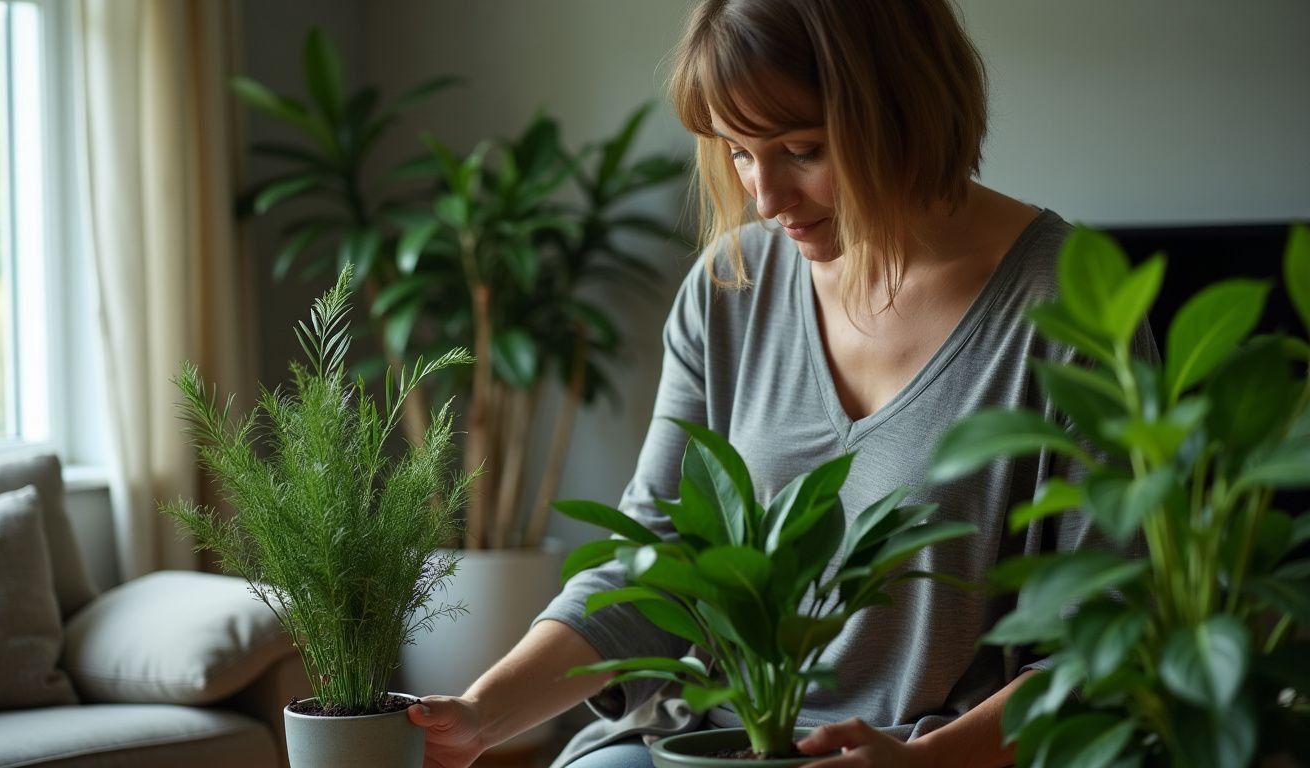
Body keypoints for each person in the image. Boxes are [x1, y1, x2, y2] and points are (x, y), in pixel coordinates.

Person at [409, 1, 1153, 766]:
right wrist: (480, 715)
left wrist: (926, 763)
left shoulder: (1070, 305)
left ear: (905, 109)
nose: (765, 197)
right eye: (736, 152)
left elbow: (1103, 643)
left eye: (802, 150)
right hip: (707, 743)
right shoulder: (729, 288)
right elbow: (653, 561)